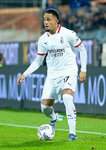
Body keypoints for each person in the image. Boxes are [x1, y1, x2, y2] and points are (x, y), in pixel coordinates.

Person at [17, 9, 87, 141]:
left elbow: (82, 49)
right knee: (44, 107)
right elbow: (38, 61)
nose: (45, 22)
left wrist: (83, 70)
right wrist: (25, 74)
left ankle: (72, 134)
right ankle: (54, 118)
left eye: (48, 19)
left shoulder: (68, 34)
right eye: (44, 19)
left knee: (67, 97)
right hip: (53, 75)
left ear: (56, 21)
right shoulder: (43, 39)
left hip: (69, 71)